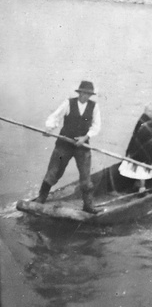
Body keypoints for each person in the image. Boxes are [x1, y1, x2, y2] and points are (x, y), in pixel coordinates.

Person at [33, 81, 101, 213]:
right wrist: (49, 129)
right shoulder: (68, 103)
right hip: (64, 144)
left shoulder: (94, 107)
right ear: (79, 92)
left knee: (86, 177)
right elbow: (55, 117)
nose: (85, 96)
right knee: (54, 172)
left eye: (88, 94)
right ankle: (41, 198)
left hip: (82, 145)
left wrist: (85, 138)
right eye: (83, 93)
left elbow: (96, 126)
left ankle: (88, 205)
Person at [119, 103, 152, 192]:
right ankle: (142, 187)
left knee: (139, 167)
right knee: (142, 168)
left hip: (143, 148)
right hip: (141, 148)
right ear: (145, 111)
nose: (151, 113)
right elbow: (138, 135)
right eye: (149, 111)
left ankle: (138, 184)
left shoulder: (149, 121)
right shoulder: (144, 120)